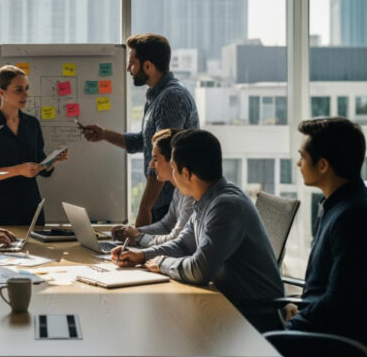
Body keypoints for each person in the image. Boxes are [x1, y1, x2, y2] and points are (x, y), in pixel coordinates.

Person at [112, 129, 283, 331]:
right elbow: (183, 244)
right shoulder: (207, 200)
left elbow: (200, 269)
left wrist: (162, 263)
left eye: (174, 169)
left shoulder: (225, 206)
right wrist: (141, 256)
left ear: (186, 173)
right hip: (229, 305)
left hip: (253, 317)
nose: (173, 177)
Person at [282, 118, 367, 356]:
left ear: (323, 165)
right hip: (327, 328)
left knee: (252, 342)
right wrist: (302, 310)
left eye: (302, 157)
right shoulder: (338, 205)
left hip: (345, 342)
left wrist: (295, 323)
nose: (298, 163)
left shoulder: (355, 216)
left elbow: (340, 302)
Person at [80, 34, 198, 227]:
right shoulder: (157, 97)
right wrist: (104, 134)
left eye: (132, 63)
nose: (128, 69)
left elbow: (163, 155)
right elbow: (144, 142)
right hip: (163, 200)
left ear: (148, 66)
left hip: (170, 201)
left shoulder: (171, 99)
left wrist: (144, 208)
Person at [0, 65, 68, 225]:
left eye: (26, 89)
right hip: (0, 207)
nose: (25, 95)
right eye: (19, 90)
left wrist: (53, 160)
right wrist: (18, 170)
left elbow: (41, 167)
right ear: (1, 91)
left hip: (31, 206)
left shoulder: (32, 124)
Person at [111, 128, 195, 247]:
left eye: (155, 159)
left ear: (173, 161)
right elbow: (166, 225)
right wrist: (134, 232)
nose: (151, 165)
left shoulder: (192, 195)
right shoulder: (179, 191)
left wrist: (139, 238)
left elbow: (178, 240)